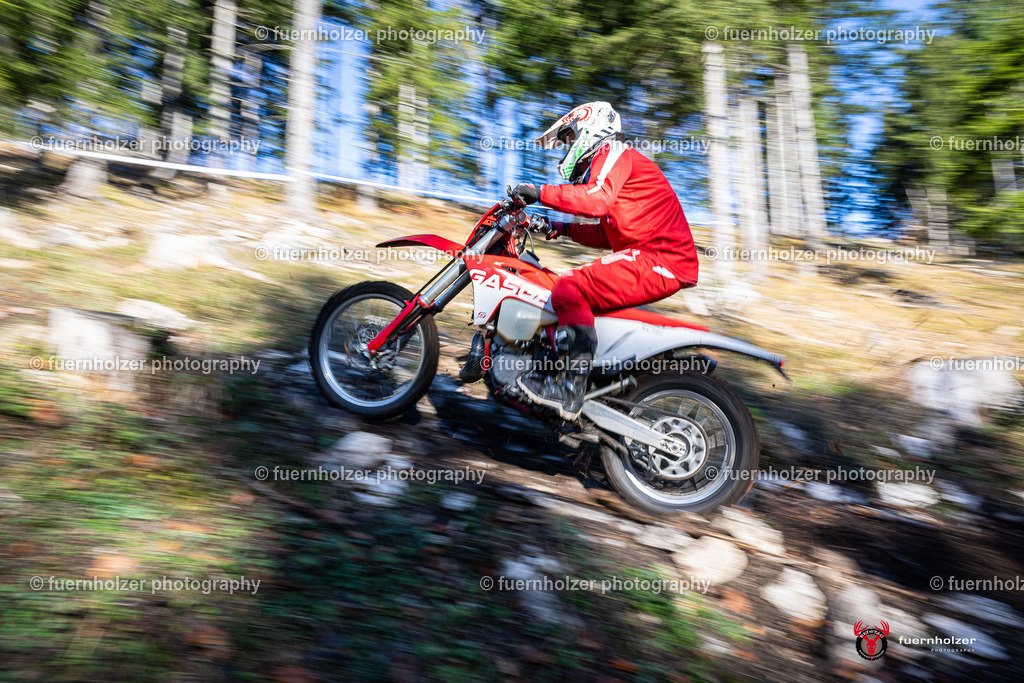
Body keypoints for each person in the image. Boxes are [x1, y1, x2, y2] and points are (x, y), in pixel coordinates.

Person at [511, 101, 699, 419]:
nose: (568, 146)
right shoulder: (614, 162)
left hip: (661, 258)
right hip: (652, 257)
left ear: (590, 128)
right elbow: (606, 233)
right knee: (564, 292)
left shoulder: (614, 152)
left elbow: (597, 201)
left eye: (570, 138)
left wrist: (539, 192)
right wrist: (557, 228)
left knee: (569, 287)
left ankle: (568, 389)